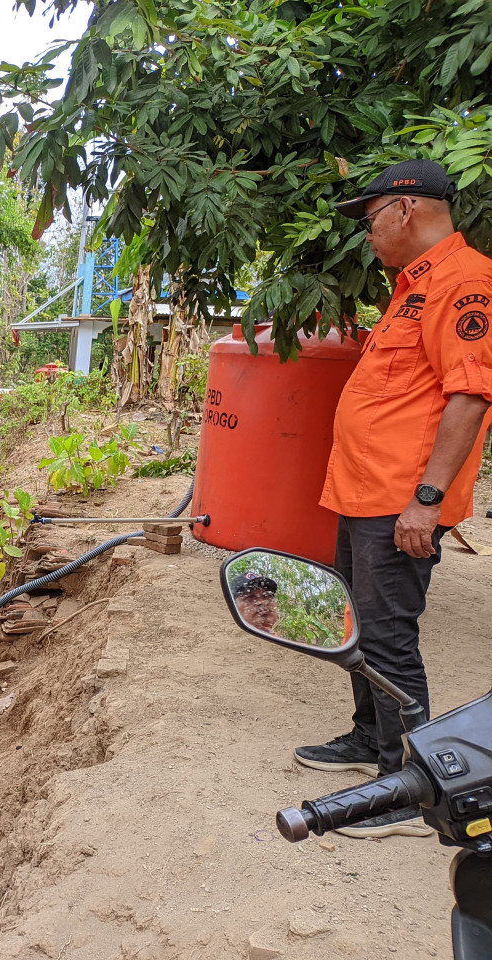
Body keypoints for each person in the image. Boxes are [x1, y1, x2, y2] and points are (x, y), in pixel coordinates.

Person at [296, 158, 492, 840]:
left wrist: (427, 500)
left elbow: (470, 396)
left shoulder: (464, 283)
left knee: (387, 640)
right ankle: (367, 736)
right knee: (355, 627)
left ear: (406, 208)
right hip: (364, 493)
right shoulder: (413, 286)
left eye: (371, 217)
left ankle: (409, 783)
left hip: (400, 503)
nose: (367, 232)